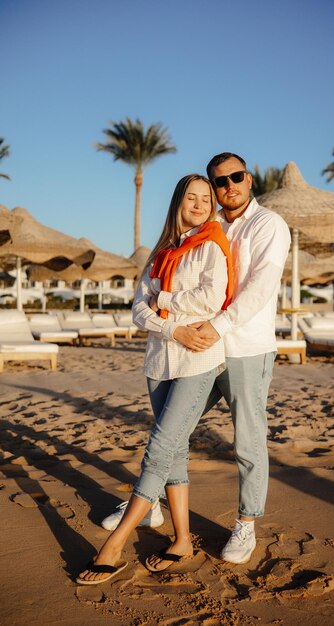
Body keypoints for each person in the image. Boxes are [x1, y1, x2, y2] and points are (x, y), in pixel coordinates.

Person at [76, 173, 234, 585]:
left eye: (205, 198)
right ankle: (181, 540)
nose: (199, 204)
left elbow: (210, 299)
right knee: (174, 452)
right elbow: (136, 311)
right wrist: (173, 327)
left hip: (198, 361)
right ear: (178, 202)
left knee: (159, 448)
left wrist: (162, 299)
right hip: (160, 361)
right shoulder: (162, 250)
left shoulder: (213, 246)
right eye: (191, 197)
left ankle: (116, 544)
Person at [182, 152, 291, 564]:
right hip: (203, 346)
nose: (229, 185)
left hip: (245, 347)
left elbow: (260, 287)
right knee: (175, 426)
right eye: (220, 181)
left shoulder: (269, 225)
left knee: (248, 440)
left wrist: (219, 326)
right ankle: (151, 500)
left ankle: (246, 523)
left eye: (236, 176)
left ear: (250, 179)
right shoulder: (209, 227)